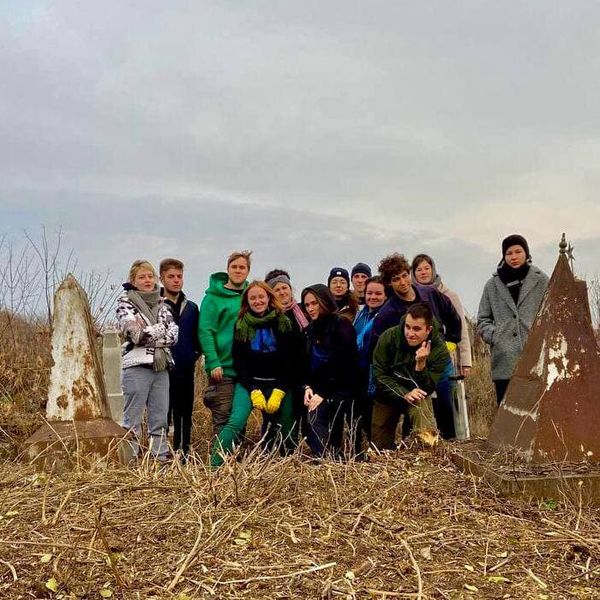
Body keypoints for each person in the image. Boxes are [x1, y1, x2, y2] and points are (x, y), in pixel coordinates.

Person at [369, 253, 461, 446]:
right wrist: (401, 387)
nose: (403, 282)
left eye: (404, 275)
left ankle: (443, 448)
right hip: (397, 375)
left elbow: (453, 317)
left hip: (432, 364)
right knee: (382, 439)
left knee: (444, 407)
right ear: (389, 284)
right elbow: (377, 360)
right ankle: (406, 447)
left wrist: (450, 343)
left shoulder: (429, 294)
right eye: (396, 279)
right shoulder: (386, 315)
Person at [210, 281, 298, 467]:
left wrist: (280, 390)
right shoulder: (241, 325)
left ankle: (287, 465)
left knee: (287, 426)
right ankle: (214, 464)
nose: (257, 301)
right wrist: (254, 389)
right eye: (253, 298)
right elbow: (240, 363)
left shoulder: (284, 322)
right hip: (250, 384)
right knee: (236, 422)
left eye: (261, 297)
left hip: (279, 384)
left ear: (268, 298)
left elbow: (291, 361)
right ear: (247, 301)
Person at [116, 260, 178, 461]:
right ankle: (130, 460)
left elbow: (174, 336)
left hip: (161, 368)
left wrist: (150, 332)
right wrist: (160, 330)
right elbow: (136, 335)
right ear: (133, 280)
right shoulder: (125, 304)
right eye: (142, 277)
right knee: (132, 419)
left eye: (150, 276)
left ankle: (159, 458)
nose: (147, 280)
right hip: (136, 367)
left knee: (160, 418)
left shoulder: (163, 304)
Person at [477, 234, 549, 405]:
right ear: (504, 256)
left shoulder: (541, 280)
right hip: (505, 360)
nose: (514, 257)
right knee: (506, 414)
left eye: (518, 251)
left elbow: (550, 314)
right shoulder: (492, 285)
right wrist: (495, 337)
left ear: (526, 253)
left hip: (535, 357)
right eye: (509, 253)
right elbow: (483, 319)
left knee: (534, 414)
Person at [411, 253, 472, 439]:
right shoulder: (413, 295)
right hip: (420, 358)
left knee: (448, 400)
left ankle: (453, 437)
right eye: (418, 269)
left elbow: (460, 327)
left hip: (446, 356)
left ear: (433, 270)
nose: (423, 272)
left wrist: (464, 359)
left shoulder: (448, 295)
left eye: (426, 268)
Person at [372, 303, 450, 448]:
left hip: (418, 395)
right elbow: (379, 376)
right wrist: (404, 393)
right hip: (388, 394)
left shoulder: (439, 350)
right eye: (407, 327)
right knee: (379, 447)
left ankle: (426, 455)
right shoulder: (388, 337)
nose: (410, 333)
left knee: (426, 430)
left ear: (428, 330)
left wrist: (420, 365)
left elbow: (428, 387)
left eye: (416, 329)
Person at [301, 284, 359, 458]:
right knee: (309, 425)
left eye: (314, 303)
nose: (310, 308)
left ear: (324, 301)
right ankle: (328, 457)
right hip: (318, 389)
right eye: (307, 305)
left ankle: (330, 461)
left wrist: (323, 393)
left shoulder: (342, 325)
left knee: (317, 417)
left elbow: (344, 363)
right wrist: (307, 387)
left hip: (342, 389)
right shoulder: (309, 330)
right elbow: (305, 364)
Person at [198, 250, 251, 437]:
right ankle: (219, 462)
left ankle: (238, 462)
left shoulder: (251, 295)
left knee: (240, 418)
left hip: (245, 370)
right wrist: (213, 361)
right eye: (234, 267)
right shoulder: (213, 299)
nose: (238, 270)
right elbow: (206, 331)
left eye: (242, 267)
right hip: (222, 369)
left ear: (248, 271)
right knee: (223, 417)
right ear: (227, 269)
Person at [159, 258, 200, 460]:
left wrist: (193, 355)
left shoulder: (191, 308)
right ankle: (161, 454)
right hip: (161, 370)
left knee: (184, 414)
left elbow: (197, 337)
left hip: (185, 369)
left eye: (179, 276)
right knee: (163, 414)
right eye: (171, 277)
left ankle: (183, 454)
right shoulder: (155, 305)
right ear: (162, 278)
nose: (176, 281)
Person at [353, 276, 387, 442]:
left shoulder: (387, 316)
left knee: (375, 419)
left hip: (376, 373)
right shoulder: (360, 315)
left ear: (385, 295)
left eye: (378, 293)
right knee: (359, 414)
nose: (373, 297)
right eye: (369, 293)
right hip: (358, 371)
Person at [265, 269, 310, 333]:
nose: (282, 292)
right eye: (277, 290)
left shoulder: (304, 309)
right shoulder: (269, 316)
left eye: (284, 288)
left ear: (290, 289)